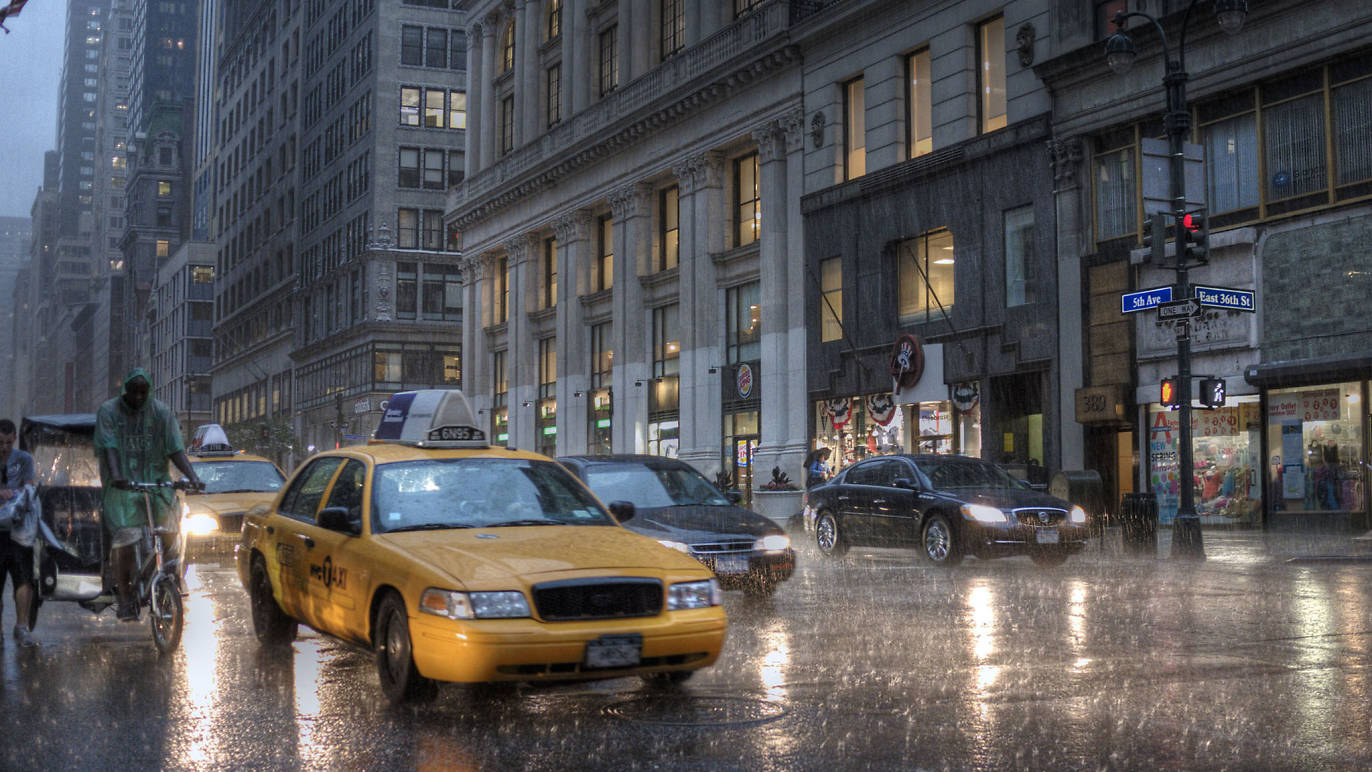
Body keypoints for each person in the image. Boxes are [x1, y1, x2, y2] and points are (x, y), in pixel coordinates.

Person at [95, 368, 203, 621]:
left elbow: (176, 450)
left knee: (170, 533)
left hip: (157, 485)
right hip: (122, 488)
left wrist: (193, 477)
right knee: (125, 537)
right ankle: (124, 596)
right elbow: (109, 447)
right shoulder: (109, 412)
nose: (139, 397)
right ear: (126, 391)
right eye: (134, 392)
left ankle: (168, 577)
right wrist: (117, 475)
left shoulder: (162, 414)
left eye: (144, 392)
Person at [0, 419, 38, 646]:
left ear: (14, 439)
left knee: (23, 578)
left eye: (7, 442)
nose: (3, 447)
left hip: (19, 530)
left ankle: (21, 625)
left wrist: (14, 494)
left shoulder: (23, 460)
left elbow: (29, 486)